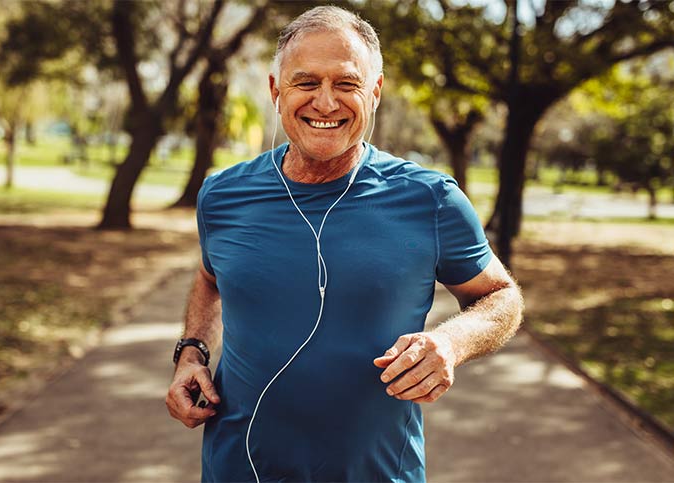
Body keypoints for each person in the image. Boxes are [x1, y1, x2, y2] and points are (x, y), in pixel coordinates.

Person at [166, 6, 523, 482]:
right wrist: (192, 353)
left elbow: (501, 296)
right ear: (277, 90)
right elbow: (211, 278)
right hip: (235, 467)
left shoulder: (431, 199)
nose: (326, 103)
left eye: (347, 84)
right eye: (306, 82)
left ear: (374, 93)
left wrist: (449, 342)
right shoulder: (222, 195)